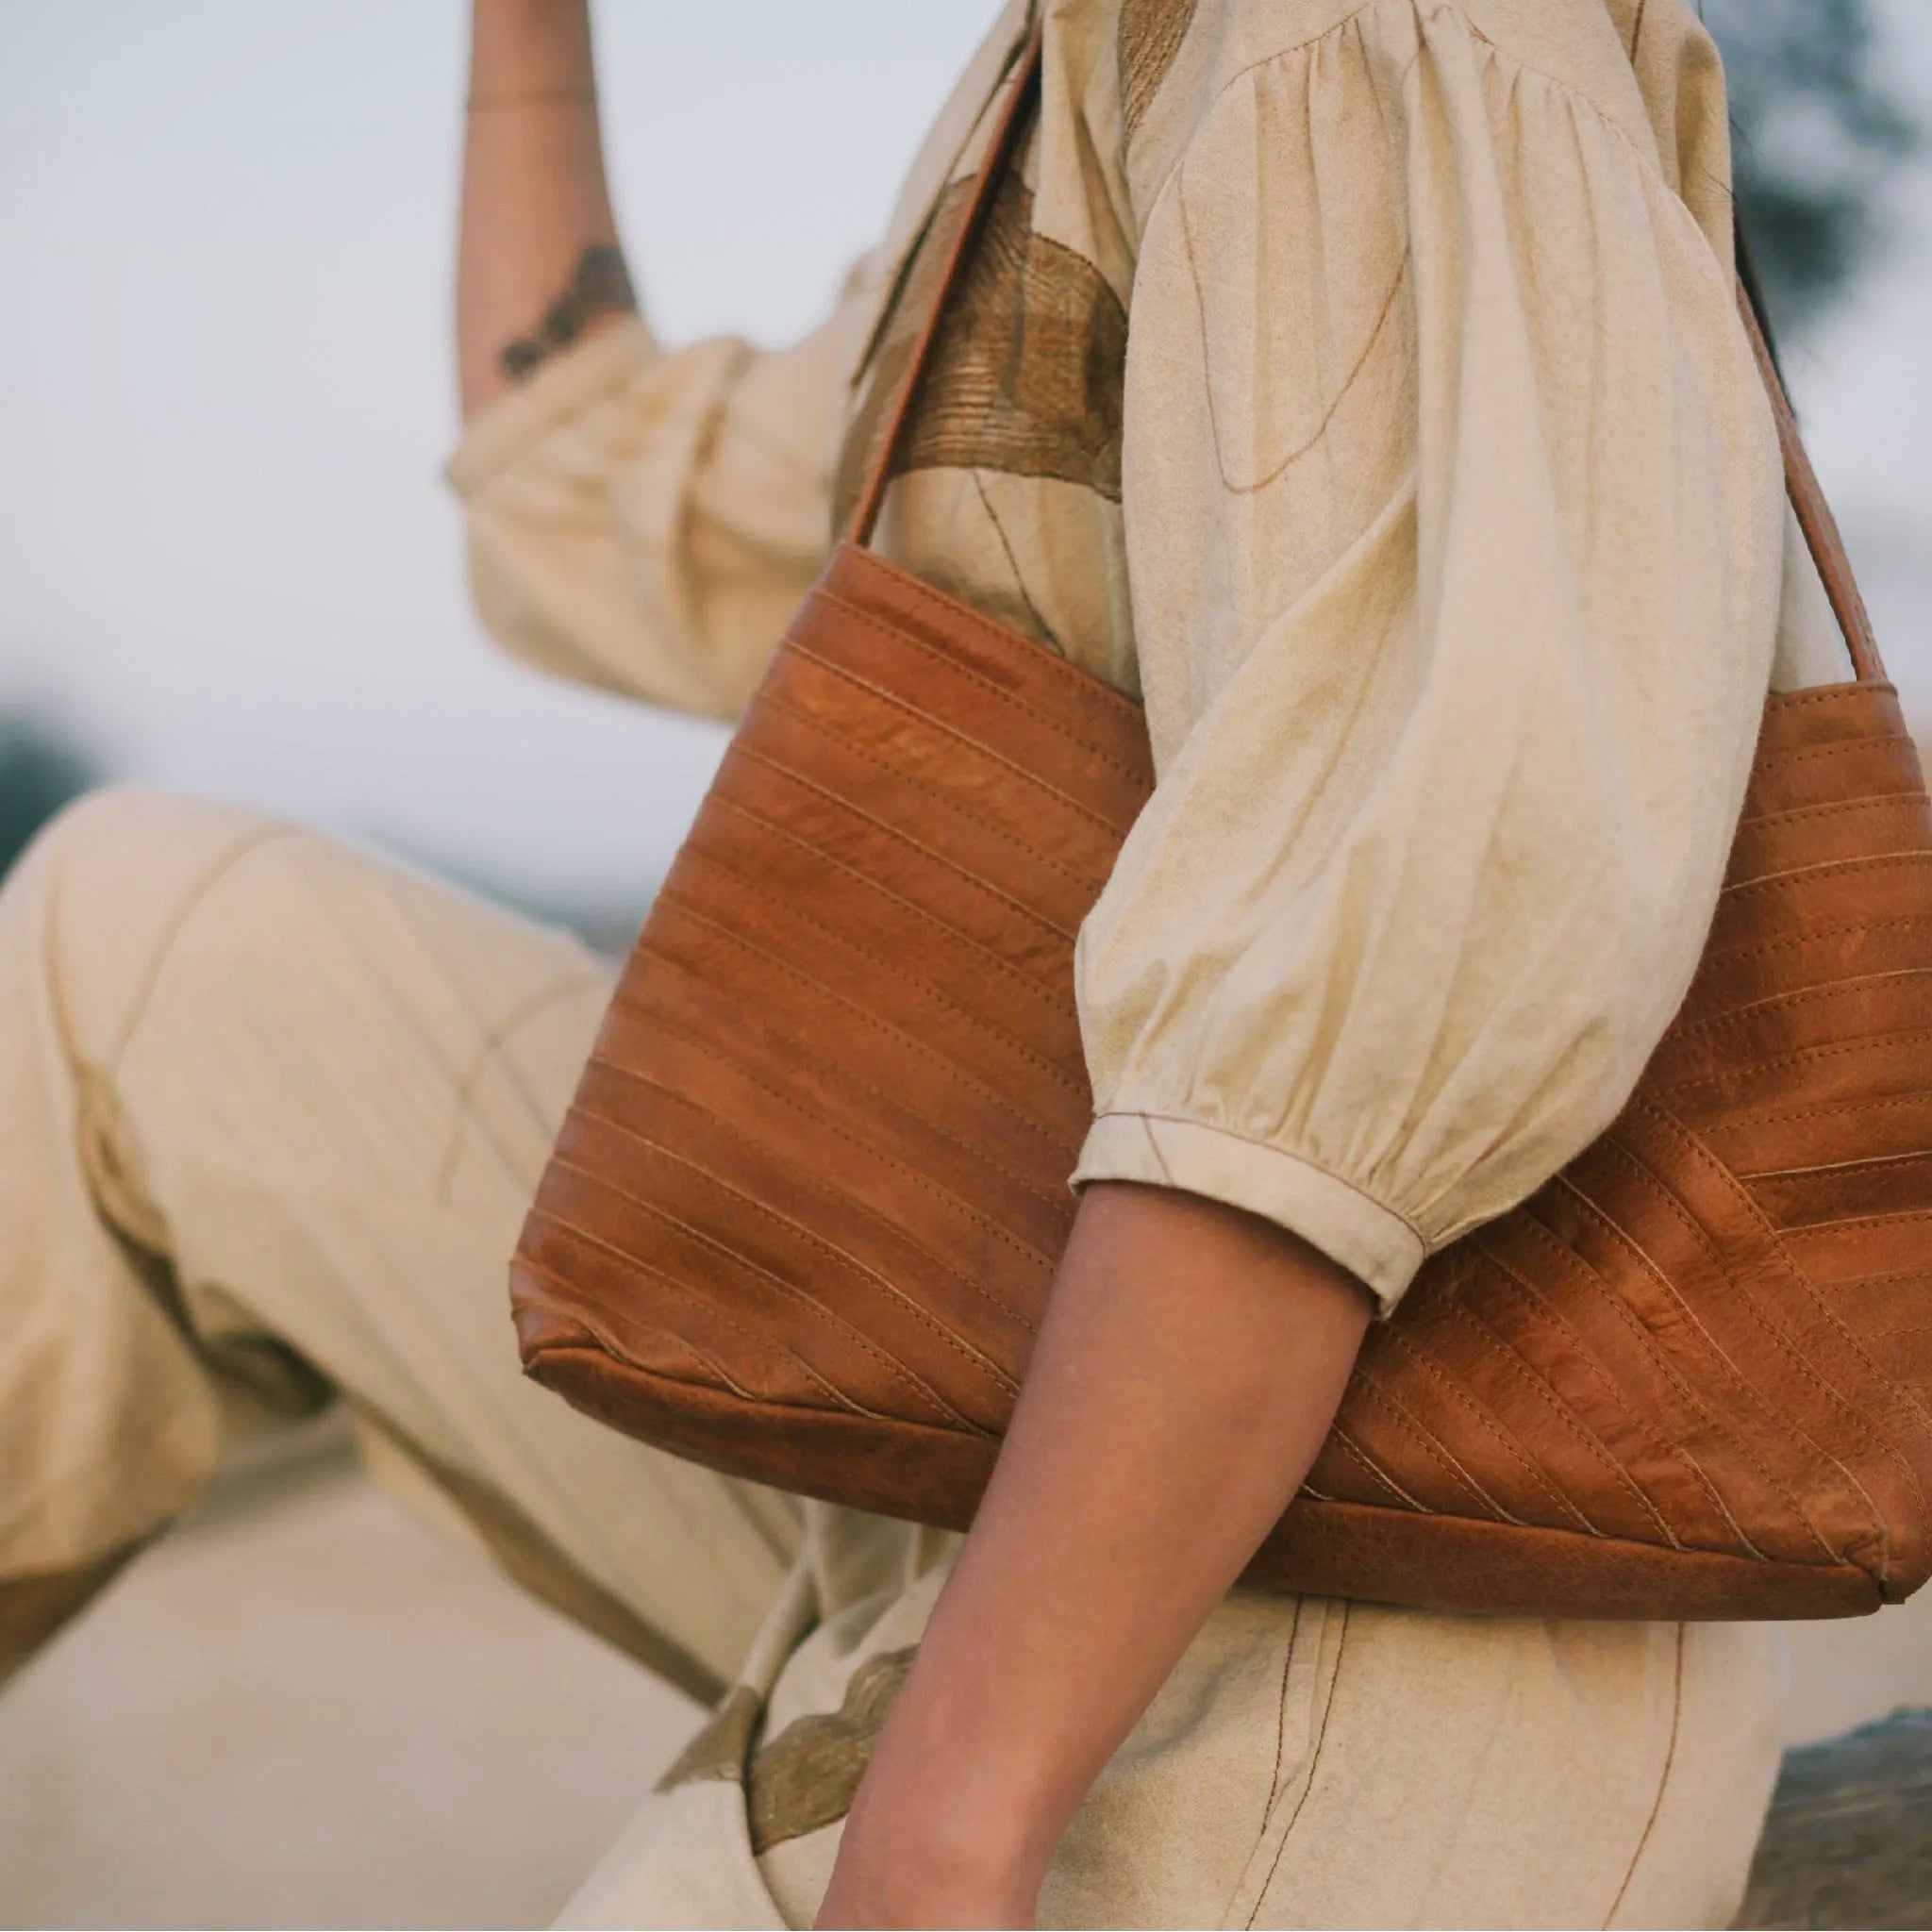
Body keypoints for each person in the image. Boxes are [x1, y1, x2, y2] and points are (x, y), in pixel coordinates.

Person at [0, 0, 1872, 1924]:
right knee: (131, 937)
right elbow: (586, 483)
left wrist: (948, 1820)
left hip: (1381, 1586)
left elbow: (1417, 941)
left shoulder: (1346, 27)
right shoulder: (1056, 83)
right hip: (987, 1387)